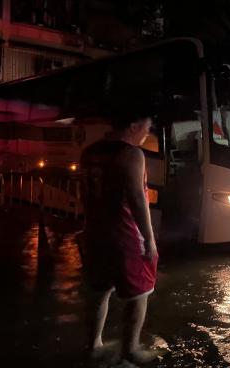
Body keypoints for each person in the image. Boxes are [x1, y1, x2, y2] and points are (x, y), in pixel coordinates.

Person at [80, 103, 159, 364]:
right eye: (147, 127)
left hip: (95, 234)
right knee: (139, 293)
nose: (147, 132)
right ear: (134, 126)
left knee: (99, 291)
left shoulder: (89, 152)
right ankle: (131, 349)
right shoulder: (131, 154)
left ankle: (93, 345)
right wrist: (149, 239)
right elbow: (137, 198)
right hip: (125, 235)